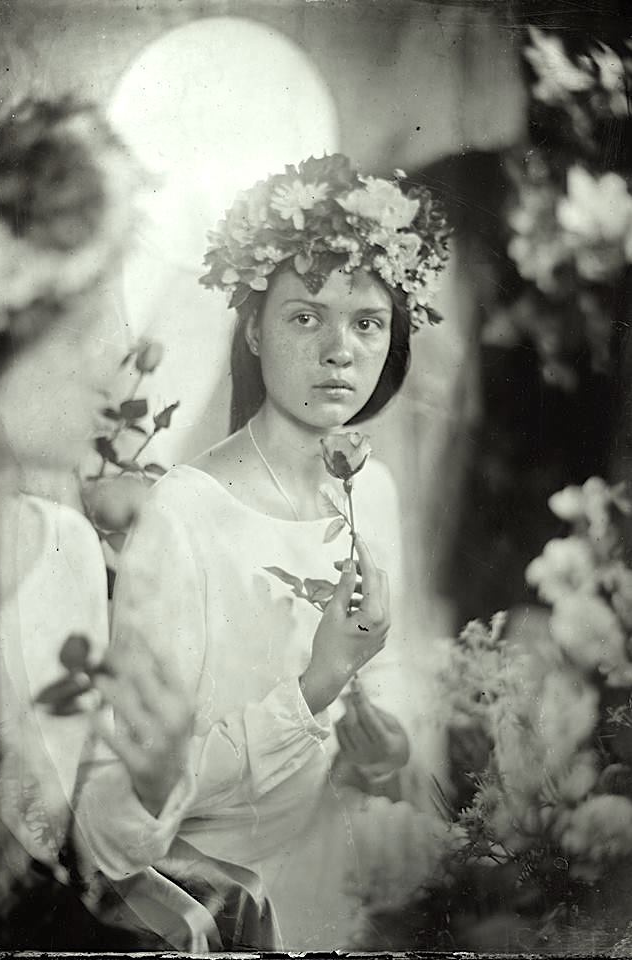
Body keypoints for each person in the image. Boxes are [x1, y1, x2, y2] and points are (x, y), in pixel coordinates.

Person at [77, 153, 454, 949]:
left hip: (339, 867)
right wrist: (315, 686)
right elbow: (133, 805)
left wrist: (386, 746)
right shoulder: (186, 512)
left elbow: (383, 676)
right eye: (305, 317)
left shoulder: (372, 489)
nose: (339, 351)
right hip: (225, 897)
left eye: (367, 322)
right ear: (253, 327)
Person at [0, 90, 273, 951]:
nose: (117, 355)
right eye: (91, 311)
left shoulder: (64, 546)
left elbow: (87, 849)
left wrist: (152, 769)